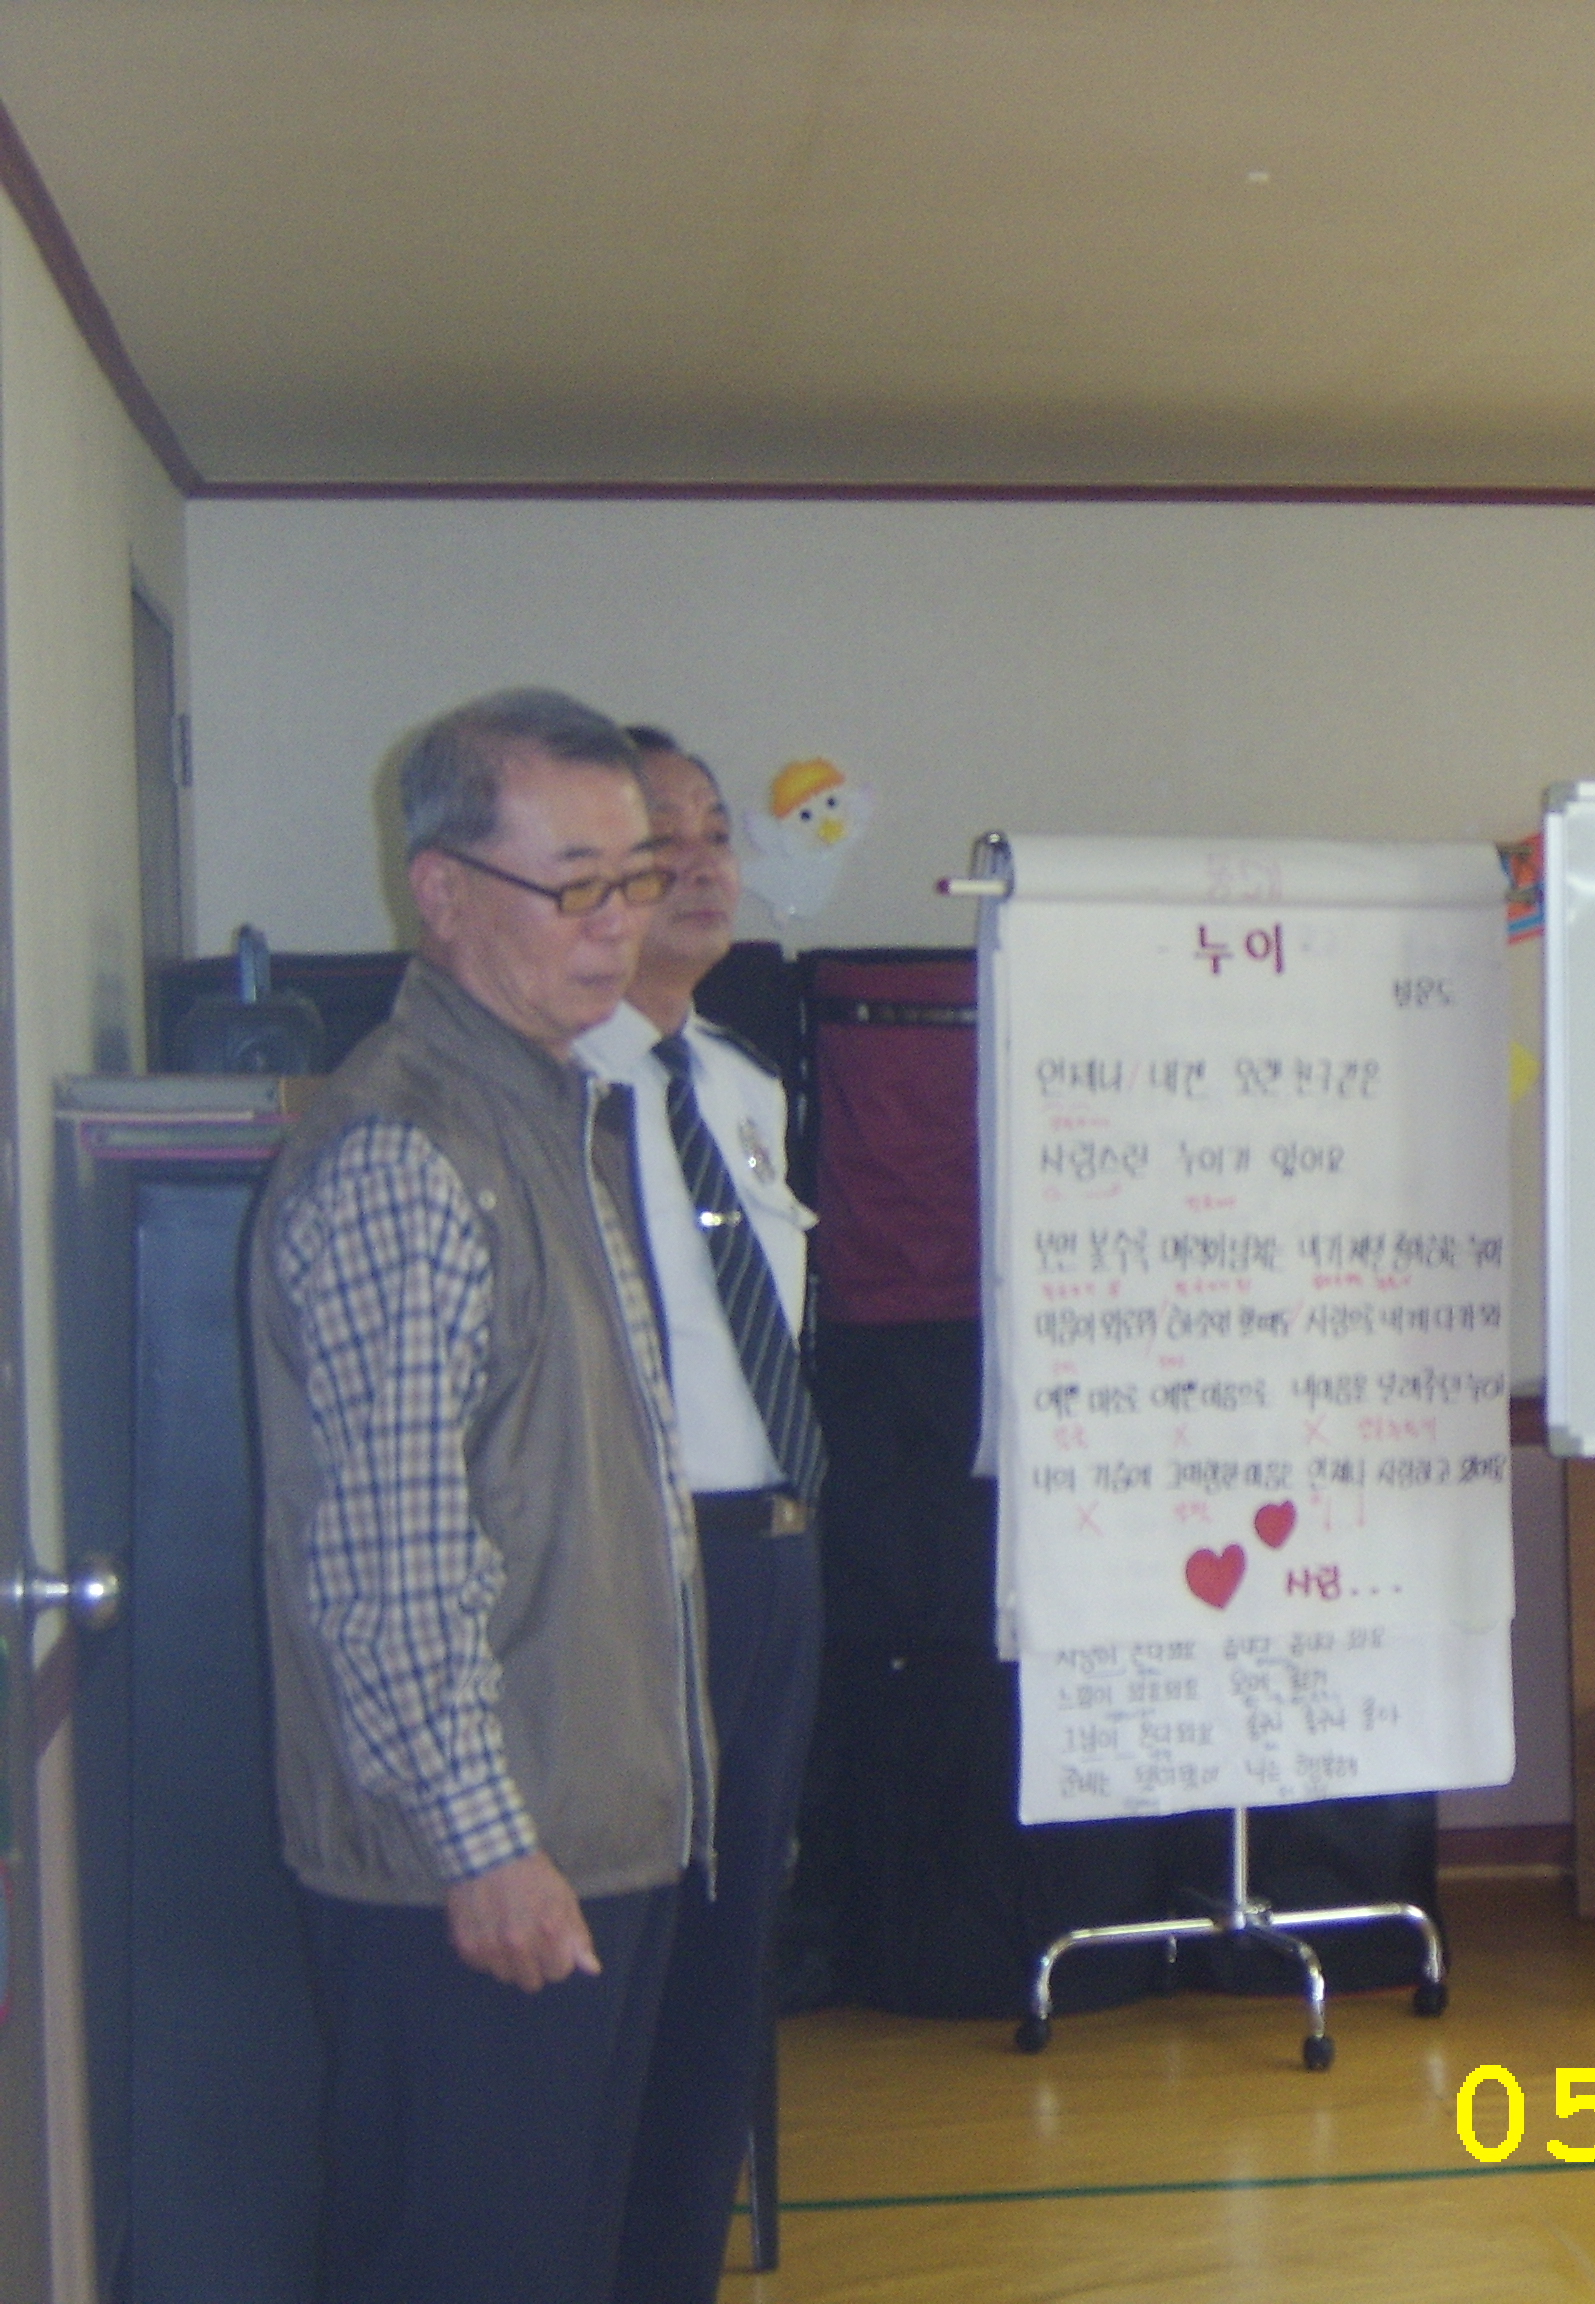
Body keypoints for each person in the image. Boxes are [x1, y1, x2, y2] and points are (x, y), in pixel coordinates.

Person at [250, 689, 709, 2304]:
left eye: (634, 878)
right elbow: (387, 1569)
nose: (617, 923)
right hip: (483, 1881)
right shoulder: (409, 1154)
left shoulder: (551, 1113)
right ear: (441, 894)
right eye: (572, 884)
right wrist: (486, 1851)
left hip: (585, 1843)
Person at [576, 729, 826, 2301]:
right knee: (631, 1958)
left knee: (732, 1963)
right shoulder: (555, 1087)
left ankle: (676, 2268)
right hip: (634, 1572)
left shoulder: (739, 1087)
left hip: (772, 1560)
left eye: (719, 833)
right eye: (661, 836)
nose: (703, 863)